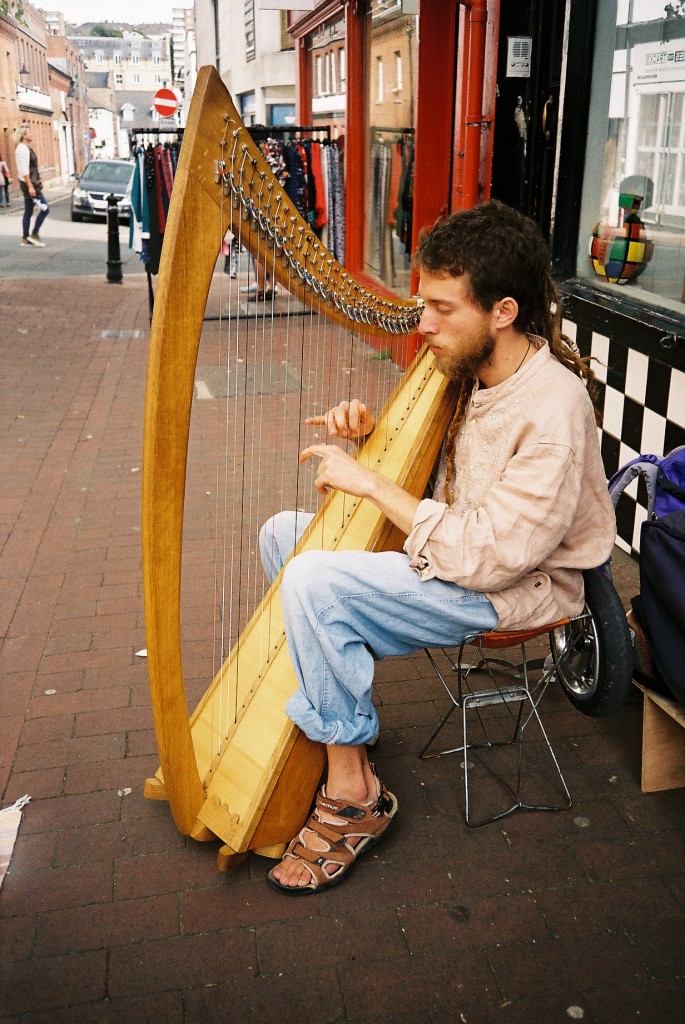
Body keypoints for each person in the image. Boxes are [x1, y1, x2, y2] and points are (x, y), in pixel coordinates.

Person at [258, 199, 616, 895]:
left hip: (515, 587)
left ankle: (355, 793)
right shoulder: (467, 367)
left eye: (441, 308)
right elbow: (432, 478)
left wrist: (367, 483)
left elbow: (495, 557)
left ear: (503, 311)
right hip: (456, 552)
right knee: (282, 532)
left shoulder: (553, 409)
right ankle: (343, 718)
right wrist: (368, 435)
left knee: (310, 581)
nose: (422, 323)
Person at [13, 124, 49, 247]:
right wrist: (30, 186)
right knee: (45, 209)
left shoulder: (27, 147)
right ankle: (34, 234)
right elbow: (24, 171)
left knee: (28, 210)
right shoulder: (22, 149)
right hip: (28, 183)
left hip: (33, 182)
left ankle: (25, 238)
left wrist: (40, 178)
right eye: (29, 132)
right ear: (23, 135)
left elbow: (34, 167)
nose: (31, 134)